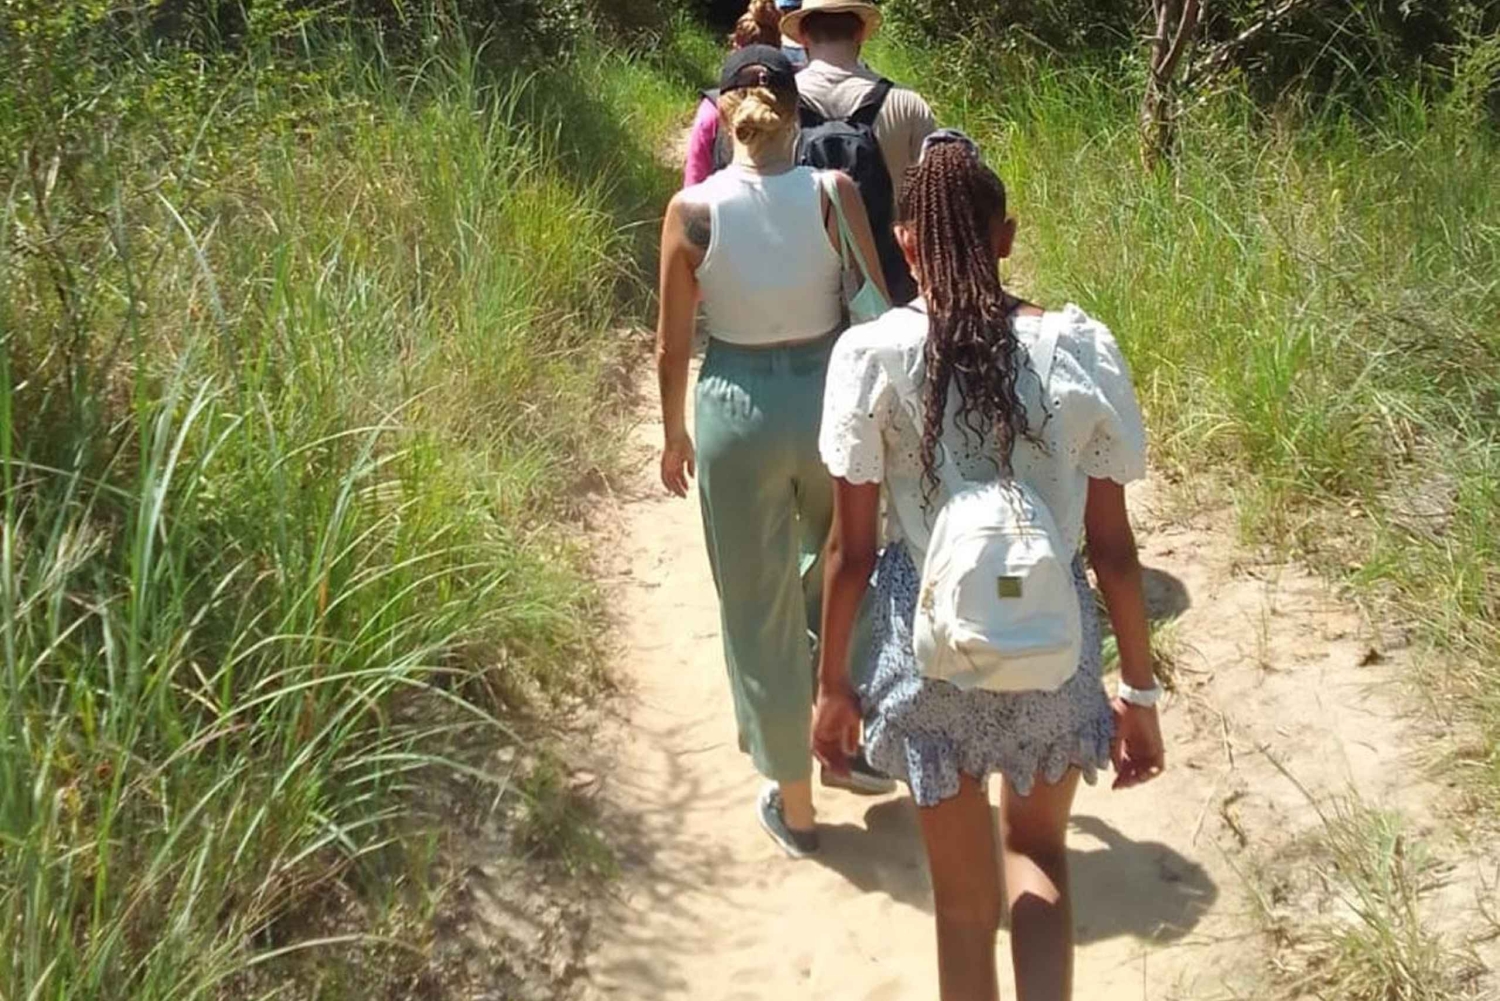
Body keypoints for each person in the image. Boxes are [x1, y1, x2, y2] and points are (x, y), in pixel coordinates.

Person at [813, 131, 1166, 1000]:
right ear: (1005, 236)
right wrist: (1140, 691)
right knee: (1038, 855)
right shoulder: (1077, 349)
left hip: (929, 649)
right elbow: (1114, 551)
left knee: (964, 906)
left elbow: (851, 551)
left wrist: (832, 685)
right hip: (1053, 639)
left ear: (904, 244)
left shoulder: (872, 357)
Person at [656, 46, 893, 858]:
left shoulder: (693, 210)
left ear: (724, 114)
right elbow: (876, 306)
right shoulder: (835, 193)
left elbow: (672, 343)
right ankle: (845, 742)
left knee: (756, 605)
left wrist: (673, 433)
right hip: (829, 399)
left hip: (737, 406)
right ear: (799, 110)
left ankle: (795, 802)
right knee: (845, 570)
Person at [779, 0, 936, 304]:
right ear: (862, 32)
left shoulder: (777, 104)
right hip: (890, 278)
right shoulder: (908, 104)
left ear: (803, 37)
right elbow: (930, 201)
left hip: (801, 279)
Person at [683, 0, 785, 189]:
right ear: (778, 49)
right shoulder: (791, 108)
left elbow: (694, 182)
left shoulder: (712, 109)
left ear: (735, 48)